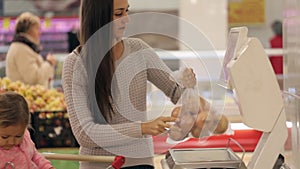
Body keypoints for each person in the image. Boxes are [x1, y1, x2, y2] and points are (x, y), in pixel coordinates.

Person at [62, 0, 227, 168]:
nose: (127, 19)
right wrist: (142, 128)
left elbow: (177, 91)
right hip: (100, 165)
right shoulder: (75, 64)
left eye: (127, 11)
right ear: (97, 18)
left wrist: (197, 104)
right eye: (119, 14)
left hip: (141, 163)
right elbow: (85, 134)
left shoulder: (139, 50)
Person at [0, 91, 54, 169]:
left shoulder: (26, 138)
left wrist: (47, 167)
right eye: (5, 137)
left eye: (18, 136)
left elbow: (35, 156)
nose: (12, 141)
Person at [6, 12, 57, 88]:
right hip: (25, 99)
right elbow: (33, 78)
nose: (40, 33)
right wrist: (49, 63)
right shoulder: (22, 49)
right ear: (28, 30)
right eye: (37, 28)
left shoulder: (23, 47)